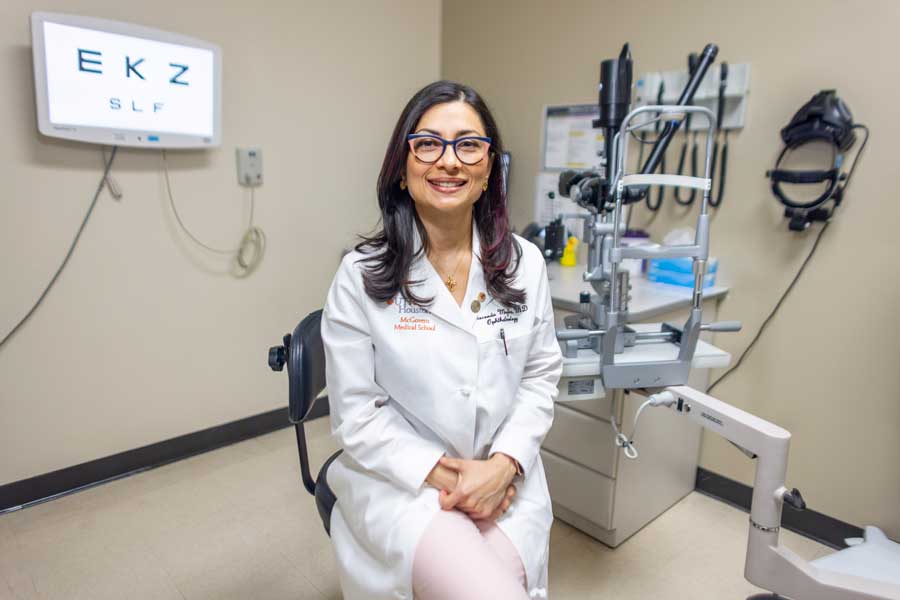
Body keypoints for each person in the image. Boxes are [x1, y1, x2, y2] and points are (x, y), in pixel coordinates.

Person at [321, 80, 562, 600]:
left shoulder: (526, 264)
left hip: (505, 476)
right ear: (402, 171)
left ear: (489, 172)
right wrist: (448, 477)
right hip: (402, 481)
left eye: (468, 144)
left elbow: (541, 377)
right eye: (428, 143)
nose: (449, 161)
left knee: (504, 581)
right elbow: (356, 414)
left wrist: (503, 466)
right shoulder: (359, 276)